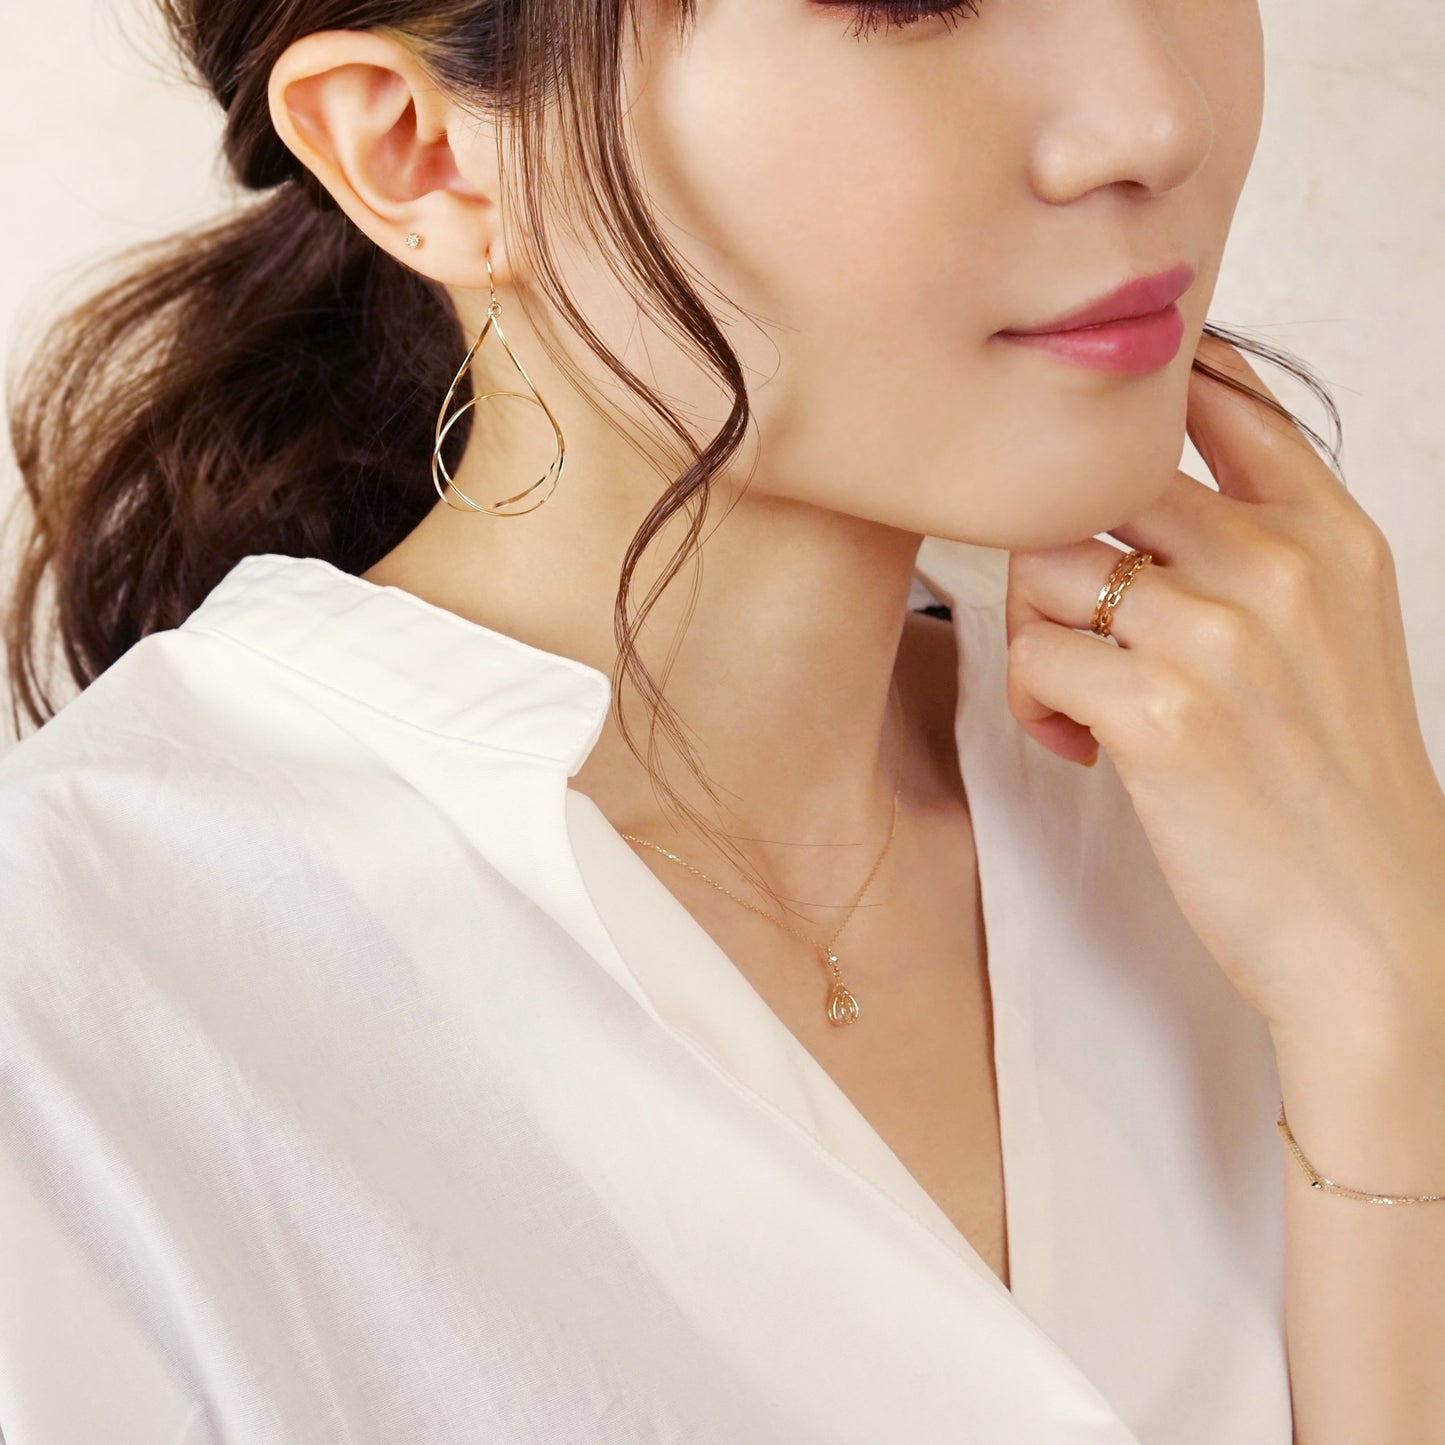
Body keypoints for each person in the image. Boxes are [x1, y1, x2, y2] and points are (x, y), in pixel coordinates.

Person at [2, 2, 1443, 1442]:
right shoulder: (73, 1014)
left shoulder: (1272, 810)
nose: (1157, 120)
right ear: (422, 153)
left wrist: (1389, 1012)